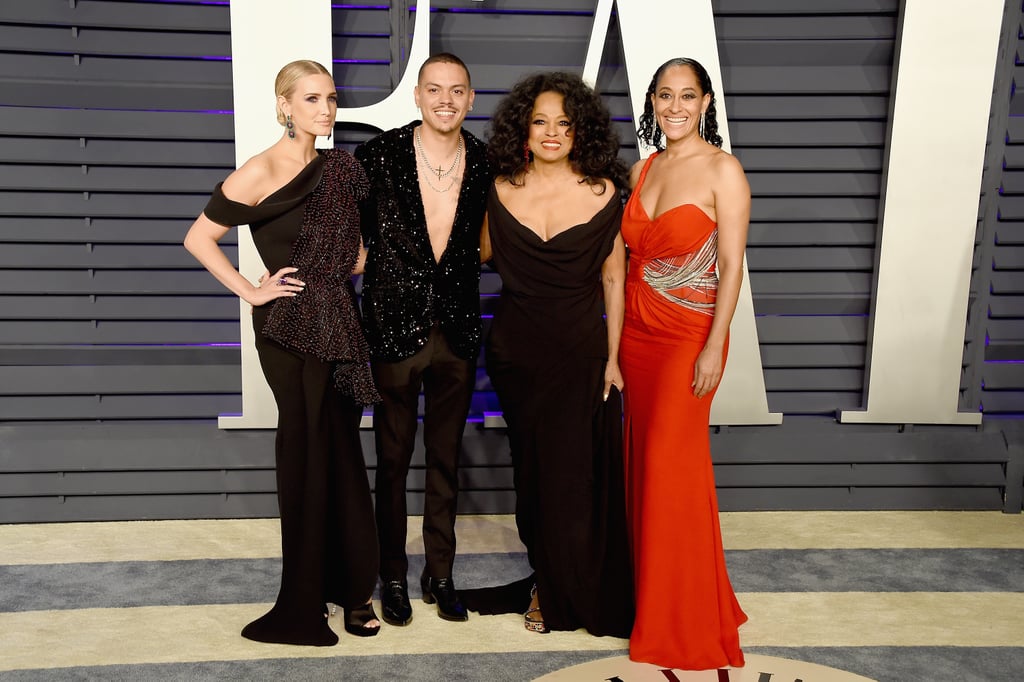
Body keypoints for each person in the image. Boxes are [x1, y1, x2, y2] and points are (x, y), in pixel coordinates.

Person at [183, 60, 381, 646]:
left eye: (332, 98)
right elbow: (199, 238)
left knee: (343, 451)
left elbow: (360, 253)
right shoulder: (261, 170)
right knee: (306, 452)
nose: (326, 109)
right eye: (313, 99)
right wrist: (251, 288)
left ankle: (352, 589)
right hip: (289, 327)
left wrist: (340, 266)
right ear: (285, 105)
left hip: (340, 321)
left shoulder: (342, 168)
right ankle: (304, 595)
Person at [470, 71, 634, 637]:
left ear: (579, 131)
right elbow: (471, 254)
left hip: (581, 352)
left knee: (572, 477)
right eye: (540, 121)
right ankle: (545, 574)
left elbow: (615, 280)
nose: (551, 132)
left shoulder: (606, 192)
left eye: (564, 123)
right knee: (532, 474)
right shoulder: (497, 189)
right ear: (524, 128)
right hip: (516, 354)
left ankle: (565, 588)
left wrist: (614, 359)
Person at [619, 57, 749, 669]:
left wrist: (716, 343)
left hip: (687, 340)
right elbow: (619, 260)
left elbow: (732, 266)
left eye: (687, 96)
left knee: (674, 473)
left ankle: (687, 620)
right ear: (651, 102)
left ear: (704, 104)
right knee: (644, 469)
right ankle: (658, 598)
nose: (675, 106)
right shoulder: (640, 169)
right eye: (664, 95)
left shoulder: (724, 171)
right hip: (636, 340)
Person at [354, 53, 490, 625]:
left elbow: (488, 240)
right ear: (416, 95)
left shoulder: (486, 160)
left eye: (456, 90)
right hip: (391, 326)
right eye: (434, 90)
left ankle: (441, 573)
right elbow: (348, 236)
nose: (445, 101)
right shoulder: (377, 156)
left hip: (456, 329)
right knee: (391, 460)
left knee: (444, 460)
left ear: (471, 97)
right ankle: (392, 575)